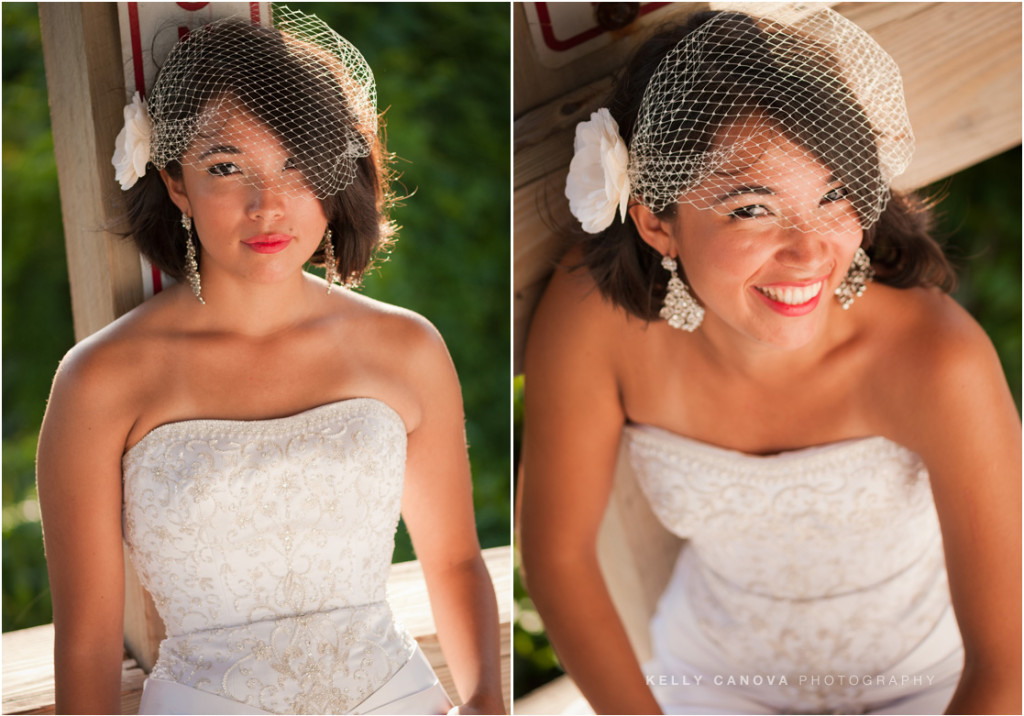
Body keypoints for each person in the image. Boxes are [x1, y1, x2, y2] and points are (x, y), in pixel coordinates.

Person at [518, 7, 1020, 715]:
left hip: (933, 683)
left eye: (834, 195)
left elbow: (1007, 667)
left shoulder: (939, 359)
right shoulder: (594, 319)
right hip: (712, 684)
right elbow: (559, 560)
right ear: (657, 221)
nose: (810, 251)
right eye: (753, 208)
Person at [36, 8, 503, 715]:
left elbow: (455, 561)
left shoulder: (406, 347)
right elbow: (87, 642)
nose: (269, 206)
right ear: (175, 182)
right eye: (228, 167)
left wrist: (488, 705)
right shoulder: (101, 379)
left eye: (298, 166)